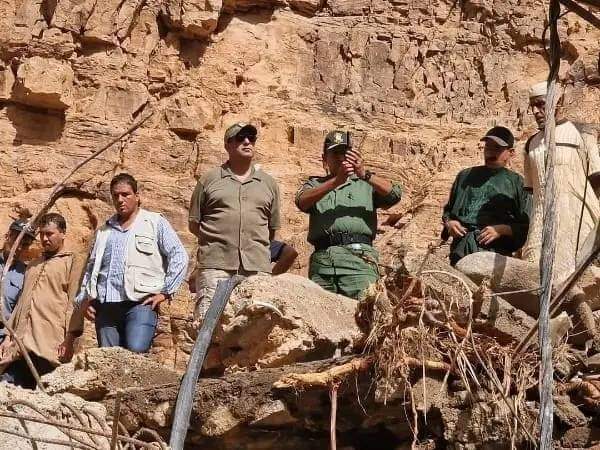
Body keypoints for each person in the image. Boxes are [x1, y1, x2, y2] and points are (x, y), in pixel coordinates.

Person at [77, 173, 188, 353]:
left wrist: (166, 292)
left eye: (125, 194)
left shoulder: (154, 222)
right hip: (105, 308)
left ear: (137, 196)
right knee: (108, 359)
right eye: (115, 195)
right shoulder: (104, 231)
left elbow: (179, 255)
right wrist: (85, 300)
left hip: (140, 303)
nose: (120, 200)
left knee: (136, 350)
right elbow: (90, 268)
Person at [188, 123, 281, 326]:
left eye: (251, 138)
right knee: (208, 327)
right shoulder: (209, 180)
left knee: (256, 329)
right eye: (240, 138)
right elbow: (194, 224)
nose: (247, 142)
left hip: (256, 268)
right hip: (215, 266)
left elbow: (271, 230)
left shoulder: (268, 184)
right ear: (227, 145)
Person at [295, 130, 402, 299]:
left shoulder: (364, 184)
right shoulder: (315, 184)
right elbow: (302, 201)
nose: (340, 158)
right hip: (323, 263)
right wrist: (335, 182)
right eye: (335, 153)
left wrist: (365, 174)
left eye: (345, 153)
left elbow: (394, 194)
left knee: (364, 313)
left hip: (359, 261)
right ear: (325, 159)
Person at [522, 80, 600, 282]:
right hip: (541, 220)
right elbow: (533, 191)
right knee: (535, 274)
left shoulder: (582, 134)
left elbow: (597, 181)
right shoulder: (531, 144)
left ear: (556, 102)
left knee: (581, 276)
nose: (537, 112)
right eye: (533, 107)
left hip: (578, 219)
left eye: (541, 104)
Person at [0, 213, 84, 389]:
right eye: (42, 234)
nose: (45, 239)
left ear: (63, 233)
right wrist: (9, 336)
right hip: (21, 345)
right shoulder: (32, 265)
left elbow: (74, 303)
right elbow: (21, 304)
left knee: (46, 391)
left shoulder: (72, 261)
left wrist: (69, 339)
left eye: (50, 234)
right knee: (10, 388)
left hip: (50, 344)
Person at [442, 126, 530, 266]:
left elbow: (525, 225)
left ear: (511, 152)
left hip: (495, 255)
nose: (490, 153)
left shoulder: (517, 183)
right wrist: (450, 224)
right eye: (488, 147)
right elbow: (448, 211)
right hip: (461, 250)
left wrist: (501, 230)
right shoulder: (464, 176)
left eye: (497, 149)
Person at [0, 220, 35, 343]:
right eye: (16, 240)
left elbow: (19, 311)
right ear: (8, 235)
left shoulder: (25, 274)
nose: (19, 247)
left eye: (25, 244)